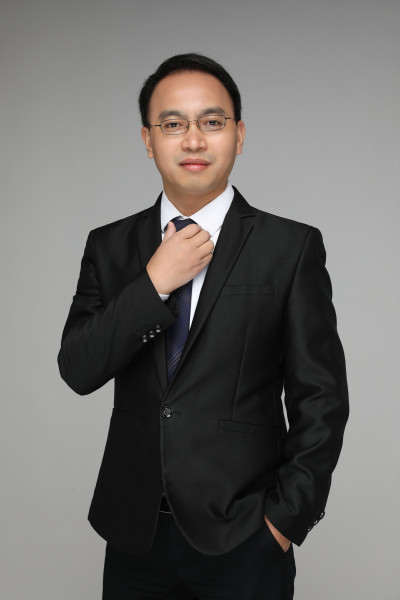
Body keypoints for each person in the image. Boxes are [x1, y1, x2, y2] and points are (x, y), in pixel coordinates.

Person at [57, 53, 349, 599]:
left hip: (246, 537)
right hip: (134, 535)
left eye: (212, 122)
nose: (193, 140)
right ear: (148, 140)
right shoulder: (110, 245)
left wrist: (285, 522)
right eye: (173, 124)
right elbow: (78, 368)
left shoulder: (289, 248)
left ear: (239, 135)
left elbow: (322, 399)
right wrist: (153, 284)